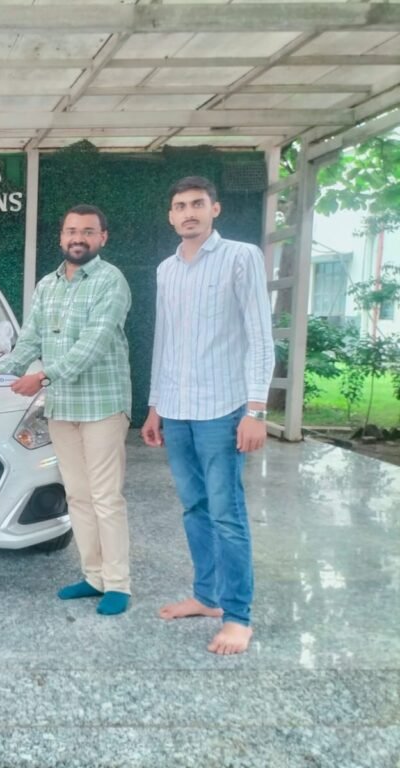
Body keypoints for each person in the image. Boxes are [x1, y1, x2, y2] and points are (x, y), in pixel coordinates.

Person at [0, 204, 133, 615]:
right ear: (61, 237)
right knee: (77, 495)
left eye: (88, 231)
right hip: (62, 407)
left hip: (101, 404)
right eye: (71, 231)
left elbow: (93, 345)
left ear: (102, 238)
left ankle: (118, 584)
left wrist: (42, 378)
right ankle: (93, 576)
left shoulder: (111, 281)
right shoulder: (48, 285)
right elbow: (29, 342)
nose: (78, 238)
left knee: (105, 496)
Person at [141, 176, 274, 655]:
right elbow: (165, 341)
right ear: (171, 216)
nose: (189, 213)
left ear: (214, 209)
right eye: (180, 206)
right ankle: (206, 596)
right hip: (177, 410)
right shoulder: (167, 269)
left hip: (223, 409)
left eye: (197, 204)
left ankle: (238, 617)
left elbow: (260, 337)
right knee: (195, 509)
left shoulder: (241, 257)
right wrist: (155, 406)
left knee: (226, 513)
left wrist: (255, 409)